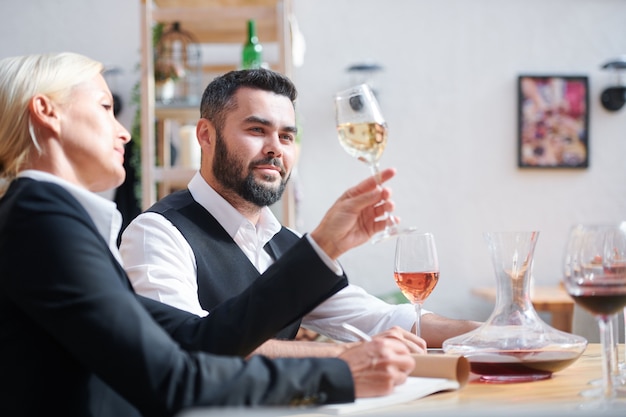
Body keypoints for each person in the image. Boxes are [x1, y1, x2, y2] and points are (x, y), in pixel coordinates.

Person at [0, 52, 424, 417]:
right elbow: (170, 379)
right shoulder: (41, 220)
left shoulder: (46, 218)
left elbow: (196, 340)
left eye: (286, 135)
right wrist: (341, 373)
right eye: (106, 107)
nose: (124, 132)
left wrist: (324, 246)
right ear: (47, 111)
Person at [120, 68, 480, 359]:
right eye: (257, 130)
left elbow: (380, 319)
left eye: (287, 137)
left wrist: (493, 331)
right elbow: (183, 347)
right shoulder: (158, 233)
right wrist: (346, 354)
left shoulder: (287, 245)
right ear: (206, 135)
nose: (275, 148)